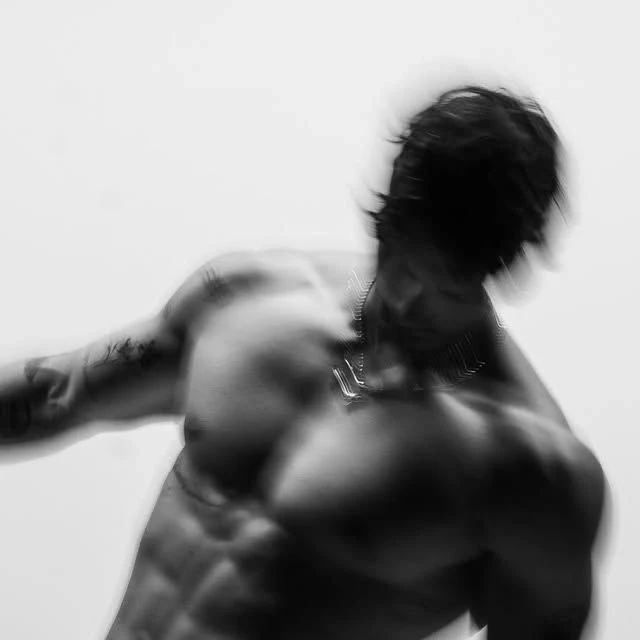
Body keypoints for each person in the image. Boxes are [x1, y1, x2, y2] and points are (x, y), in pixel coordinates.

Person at [0, 86, 605, 640]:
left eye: (441, 284)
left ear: (501, 269)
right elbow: (60, 393)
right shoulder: (246, 297)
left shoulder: (531, 474)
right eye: (394, 250)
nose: (400, 297)